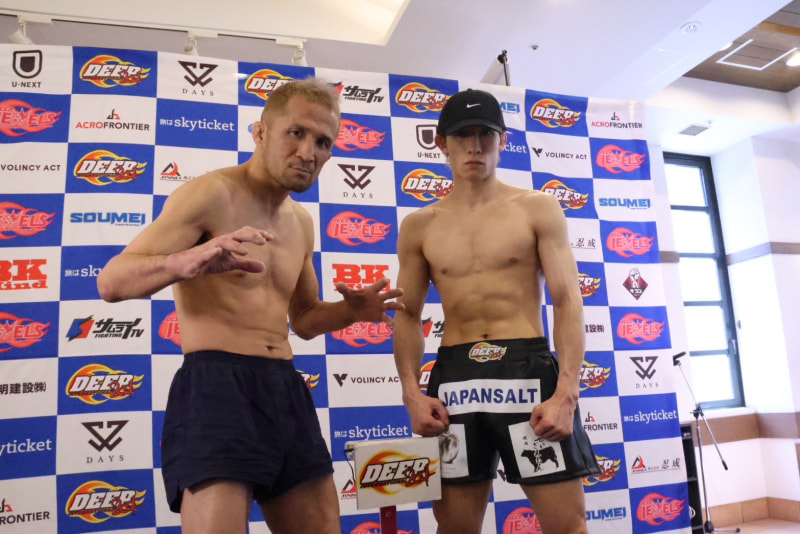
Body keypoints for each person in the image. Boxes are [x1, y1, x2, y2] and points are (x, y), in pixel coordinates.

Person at [97, 78, 404, 534]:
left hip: (285, 388)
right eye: (296, 133)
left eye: (323, 142)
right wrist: (183, 262)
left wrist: (351, 312)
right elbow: (111, 282)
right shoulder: (211, 193)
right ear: (260, 132)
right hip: (216, 387)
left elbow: (304, 320)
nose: (308, 152)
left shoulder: (301, 222)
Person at [393, 89, 600, 534]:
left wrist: (567, 392)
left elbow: (567, 300)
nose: (474, 146)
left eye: (485, 134)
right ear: (440, 142)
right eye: (461, 135)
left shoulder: (537, 208)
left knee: (567, 526)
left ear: (503, 140)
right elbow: (407, 315)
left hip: (526, 373)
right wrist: (411, 393)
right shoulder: (419, 226)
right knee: (455, 528)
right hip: (456, 382)